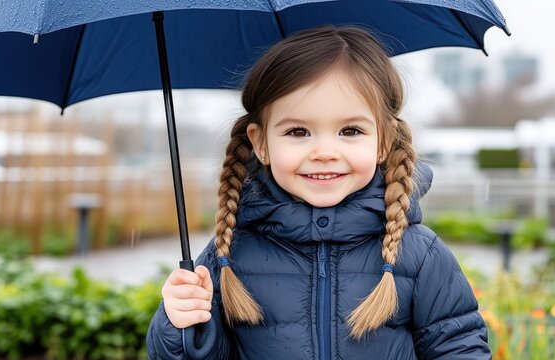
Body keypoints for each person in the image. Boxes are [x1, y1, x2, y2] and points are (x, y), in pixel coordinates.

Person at [146, 25, 491, 359]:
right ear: (261, 143)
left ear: (383, 141)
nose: (325, 151)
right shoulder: (228, 256)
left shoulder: (419, 255)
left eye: (350, 130)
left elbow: (458, 346)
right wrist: (182, 326)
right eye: (298, 132)